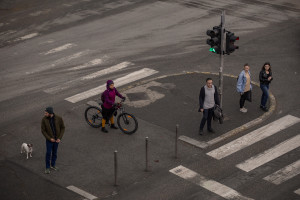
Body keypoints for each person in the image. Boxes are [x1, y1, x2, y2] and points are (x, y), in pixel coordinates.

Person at [41, 107, 65, 174]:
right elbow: (43, 131)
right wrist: (49, 138)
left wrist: (59, 138)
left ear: (50, 113)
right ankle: (47, 167)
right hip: (49, 140)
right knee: (48, 153)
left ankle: (53, 165)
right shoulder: (44, 120)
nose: (45, 114)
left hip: (56, 140)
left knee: (54, 153)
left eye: (46, 113)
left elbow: (63, 128)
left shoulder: (58, 118)